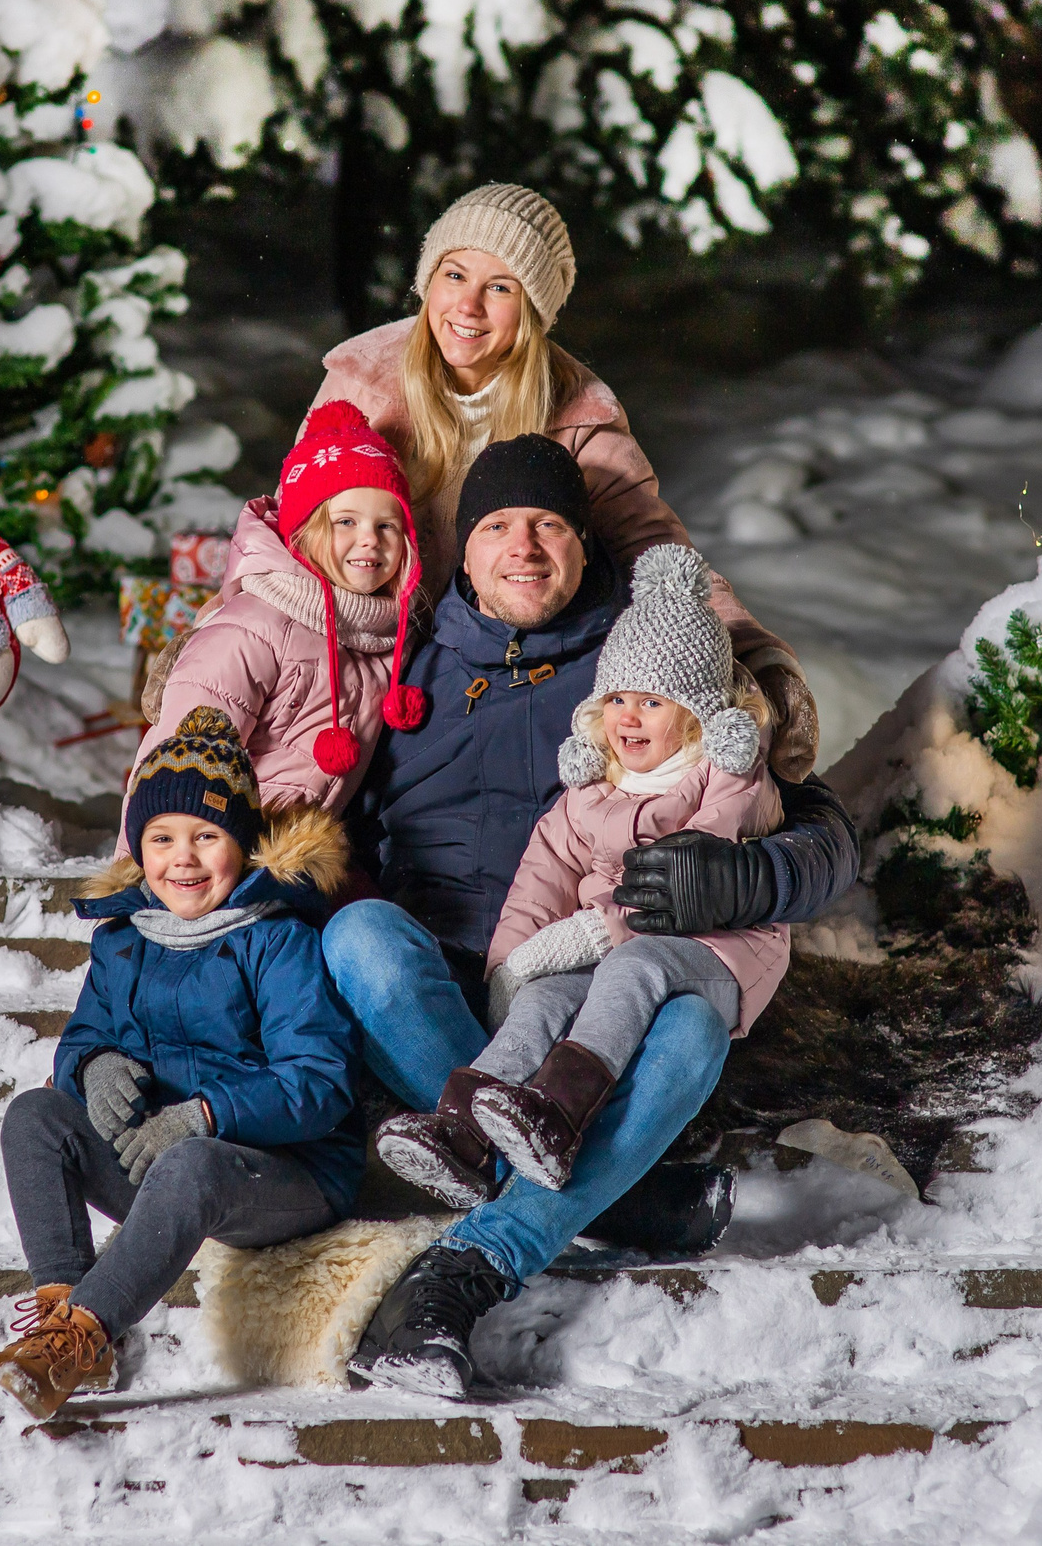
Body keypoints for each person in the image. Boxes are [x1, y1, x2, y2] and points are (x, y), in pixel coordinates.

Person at [330, 435, 861, 1398]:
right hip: (462, 999)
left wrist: (744, 881)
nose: (522, 548)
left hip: (612, 1001)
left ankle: (463, 1271)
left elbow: (817, 827)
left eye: (547, 525)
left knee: (696, 1013)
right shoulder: (402, 656)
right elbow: (305, 811)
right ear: (462, 547)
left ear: (584, 543)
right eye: (496, 526)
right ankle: (619, 1187)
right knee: (353, 937)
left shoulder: (658, 656)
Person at [307, 182, 821, 782]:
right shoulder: (364, 381)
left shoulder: (578, 412)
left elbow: (651, 547)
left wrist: (755, 655)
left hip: (509, 671)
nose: (467, 307)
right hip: (366, 661)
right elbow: (295, 528)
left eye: (499, 287)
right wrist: (217, 635)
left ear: (532, 309)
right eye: (454, 275)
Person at [374, 545, 790, 1218]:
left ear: (695, 710)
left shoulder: (726, 777)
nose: (628, 717)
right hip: (605, 947)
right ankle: (463, 1134)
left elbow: (689, 880)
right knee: (543, 997)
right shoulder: (597, 785)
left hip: (711, 952)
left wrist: (604, 927)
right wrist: (513, 961)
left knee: (633, 967)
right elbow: (546, 868)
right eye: (618, 698)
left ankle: (556, 1120)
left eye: (652, 702)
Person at [0, 708, 360, 1420]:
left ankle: (85, 1337)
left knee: (192, 1164)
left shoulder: (276, 939)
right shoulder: (125, 941)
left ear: (240, 846)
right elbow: (83, 1038)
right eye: (162, 838)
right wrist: (91, 1067)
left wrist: (207, 1113)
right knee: (34, 1115)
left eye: (205, 836)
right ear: (139, 847)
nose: (182, 858)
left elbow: (321, 1080)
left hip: (279, 1172)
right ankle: (65, 1315)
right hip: (162, 1163)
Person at [125, 401, 424, 817]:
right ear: (303, 530)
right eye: (346, 522)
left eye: (386, 525)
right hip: (210, 853)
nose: (370, 539)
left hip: (294, 857)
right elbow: (169, 773)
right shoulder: (251, 630)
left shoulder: (385, 637)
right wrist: (144, 875)